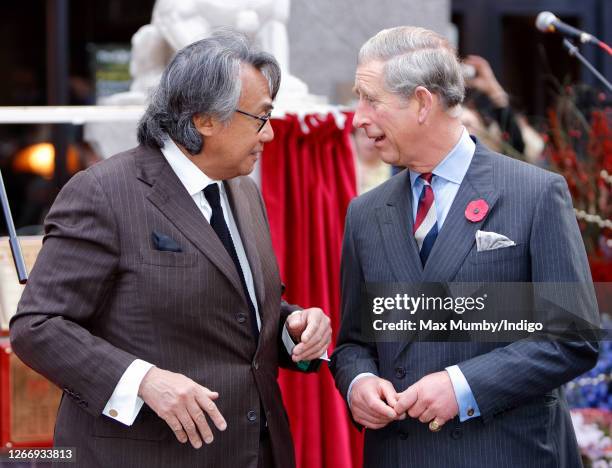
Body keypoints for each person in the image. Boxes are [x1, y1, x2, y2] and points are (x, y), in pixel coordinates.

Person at [10, 30, 331, 468]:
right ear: (204, 119)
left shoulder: (242, 190)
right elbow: (38, 326)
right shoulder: (104, 192)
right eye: (260, 118)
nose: (270, 134)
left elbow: (235, 316)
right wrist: (143, 381)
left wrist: (292, 326)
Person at [330, 26, 598, 467]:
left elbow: (572, 338)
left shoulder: (534, 194)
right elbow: (355, 342)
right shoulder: (365, 212)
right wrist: (358, 381)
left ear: (421, 102)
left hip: (507, 453)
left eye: (371, 99)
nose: (357, 117)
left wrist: (462, 386)